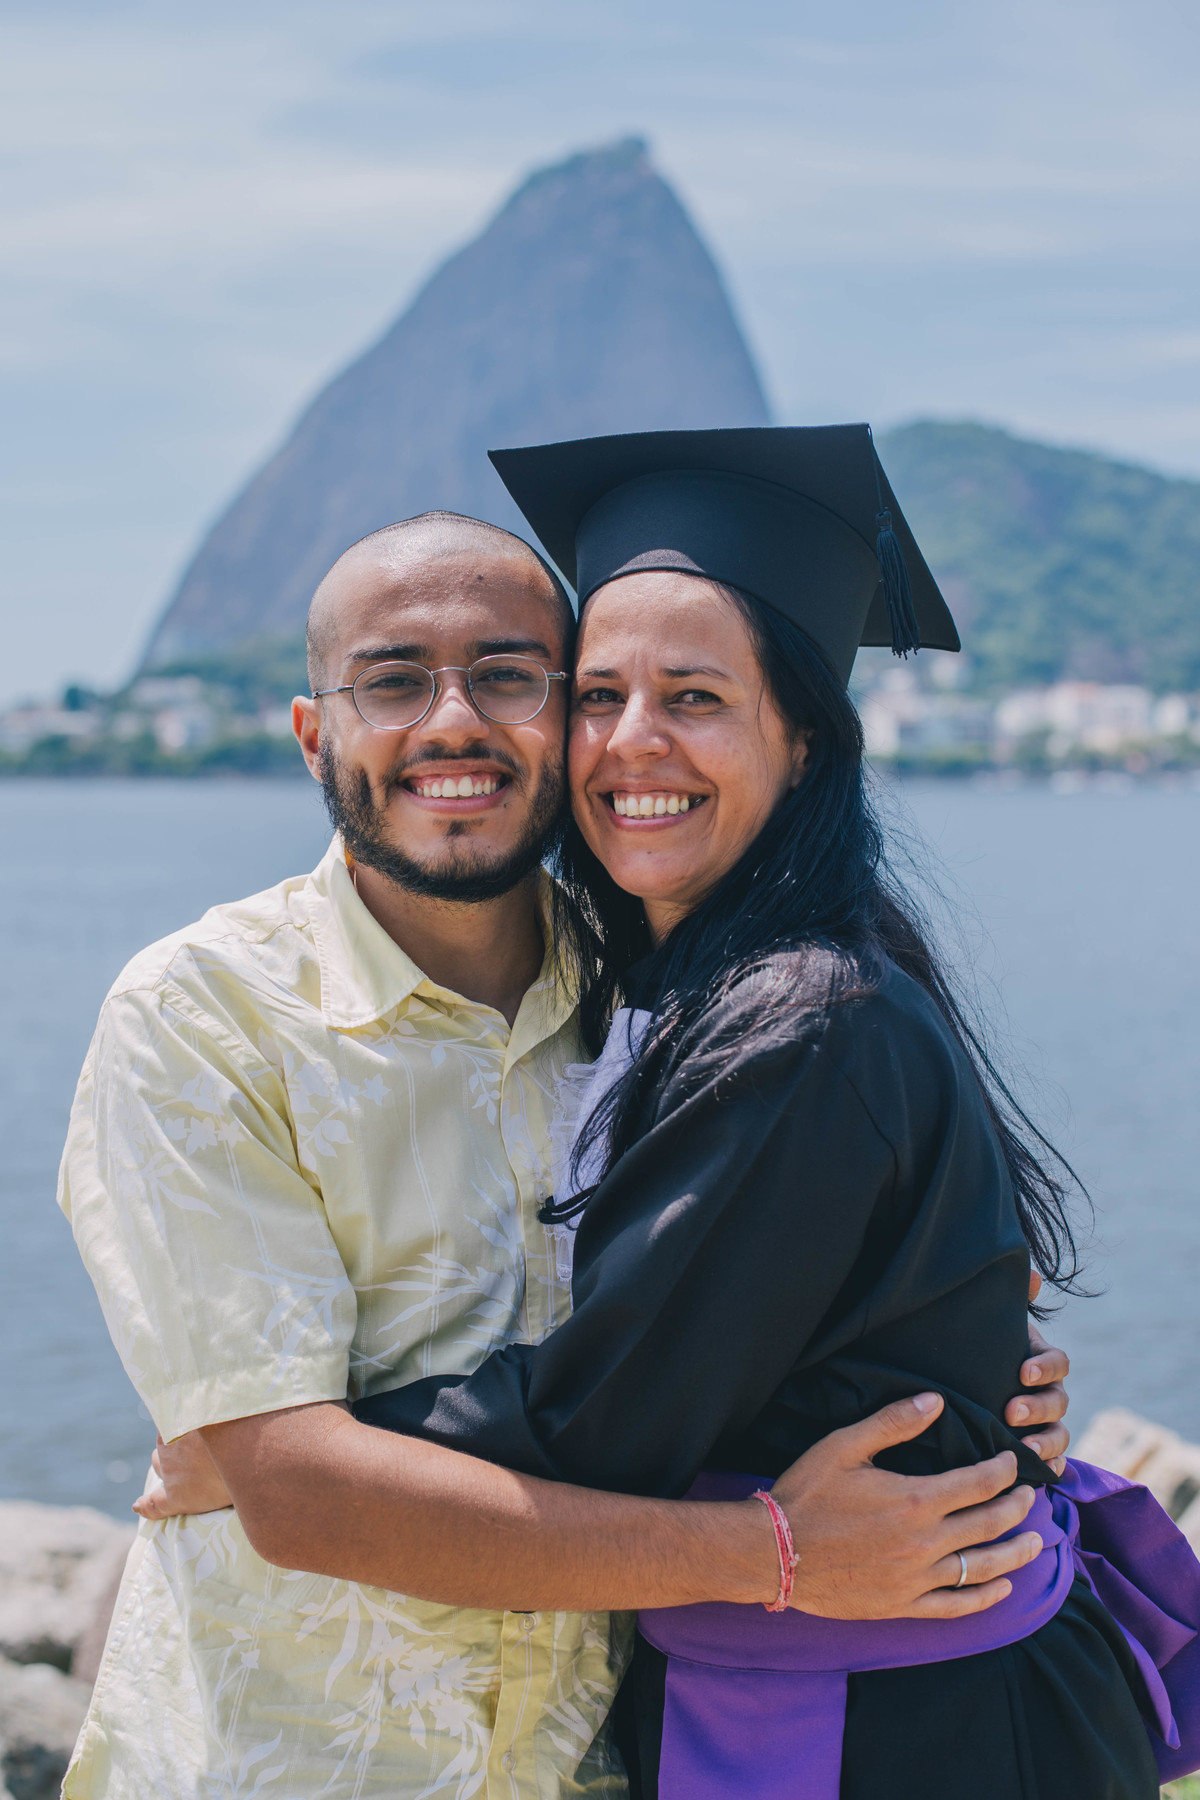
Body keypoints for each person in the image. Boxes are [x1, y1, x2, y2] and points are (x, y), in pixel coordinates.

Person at [60, 509, 1072, 1800]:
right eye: (392, 680)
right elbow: (309, 1499)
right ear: (314, 732)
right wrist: (770, 1548)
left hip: (599, 1760)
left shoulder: (689, 996)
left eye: (510, 675)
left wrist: (977, 1372)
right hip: (298, 1760)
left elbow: (663, 1372)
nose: (453, 722)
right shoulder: (204, 1018)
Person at [334, 426, 1200, 1798]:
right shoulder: (723, 974)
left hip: (895, 1728)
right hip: (847, 1677)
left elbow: (606, 1418)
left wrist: (294, 1450)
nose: (631, 746)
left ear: (801, 742)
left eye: (696, 698)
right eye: (600, 693)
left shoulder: (802, 1020)